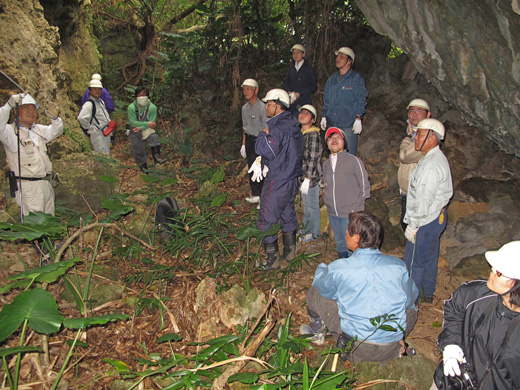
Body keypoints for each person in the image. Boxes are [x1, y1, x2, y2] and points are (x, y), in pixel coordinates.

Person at [301, 211, 419, 365]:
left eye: (348, 231)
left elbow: (322, 286)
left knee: (316, 293)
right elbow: (411, 300)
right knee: (412, 307)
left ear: (356, 238)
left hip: (355, 348)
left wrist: (322, 268)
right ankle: (399, 340)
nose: (346, 233)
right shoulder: (398, 266)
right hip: (390, 349)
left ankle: (317, 335)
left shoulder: (340, 268)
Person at [432, 241, 520, 390]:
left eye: (499, 272)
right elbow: (454, 309)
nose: (492, 270)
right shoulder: (477, 294)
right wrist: (452, 345)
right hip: (453, 383)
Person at [252, 89, 303, 270]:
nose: (266, 106)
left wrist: (264, 134)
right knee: (287, 213)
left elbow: (268, 149)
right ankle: (290, 254)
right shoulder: (292, 124)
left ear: (278, 105)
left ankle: (271, 261)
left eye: (269, 103)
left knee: (267, 218)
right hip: (291, 178)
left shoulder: (277, 127)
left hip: (278, 179)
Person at [403, 118, 453, 304]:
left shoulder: (431, 165)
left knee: (413, 261)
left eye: (420, 134)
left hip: (426, 219)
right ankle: (427, 293)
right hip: (436, 217)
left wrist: (414, 225)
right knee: (429, 256)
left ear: (432, 137)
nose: (415, 138)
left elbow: (424, 199)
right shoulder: (434, 158)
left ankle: (410, 304)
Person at [0, 93, 63, 217]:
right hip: (28, 188)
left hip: (46, 185)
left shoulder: (39, 130)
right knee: (35, 228)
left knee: (49, 225)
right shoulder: (10, 132)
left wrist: (55, 118)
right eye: (26, 108)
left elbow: (57, 130)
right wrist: (8, 106)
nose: (31, 111)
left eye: (33, 108)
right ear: (16, 111)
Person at [323, 127, 370, 258]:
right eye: (331, 138)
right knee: (340, 242)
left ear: (344, 141)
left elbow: (364, 182)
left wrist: (359, 206)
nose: (334, 140)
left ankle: (354, 271)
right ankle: (343, 266)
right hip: (333, 211)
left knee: (353, 244)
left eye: (338, 137)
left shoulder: (353, 161)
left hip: (350, 212)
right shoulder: (326, 164)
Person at [321, 47, 367, 156]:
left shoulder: (356, 78)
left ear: (349, 60)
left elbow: (361, 98)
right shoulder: (332, 79)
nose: (338, 58)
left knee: (349, 154)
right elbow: (326, 98)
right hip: (333, 122)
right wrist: (324, 116)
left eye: (342, 56)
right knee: (333, 153)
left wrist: (358, 117)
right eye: (338, 56)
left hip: (348, 123)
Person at [398, 99, 431, 231]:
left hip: (419, 193)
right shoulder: (415, 134)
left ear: (428, 115)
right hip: (408, 191)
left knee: (415, 229)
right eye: (412, 111)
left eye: (419, 111)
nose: (415, 114)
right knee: (407, 226)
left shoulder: (428, 135)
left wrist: (407, 138)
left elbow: (404, 156)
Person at [240, 79, 268, 206]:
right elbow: (244, 128)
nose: (246, 92)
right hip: (250, 140)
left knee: (261, 168)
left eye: (249, 89)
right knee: (252, 167)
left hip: (260, 140)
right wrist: (244, 145)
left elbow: (267, 128)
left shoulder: (263, 107)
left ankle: (264, 196)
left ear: (256, 90)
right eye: (244, 89)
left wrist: (264, 146)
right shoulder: (244, 108)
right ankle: (256, 193)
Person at [298, 104, 323, 242]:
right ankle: (306, 229)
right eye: (302, 112)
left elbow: (313, 158)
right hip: (303, 178)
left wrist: (307, 179)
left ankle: (314, 234)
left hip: (311, 178)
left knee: (312, 207)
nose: (303, 114)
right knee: (307, 206)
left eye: (307, 113)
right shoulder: (301, 134)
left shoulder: (312, 135)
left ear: (312, 120)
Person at [127, 87, 166, 172]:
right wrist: (146, 124)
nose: (142, 97)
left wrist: (142, 127)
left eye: (144, 95)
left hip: (146, 128)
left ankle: (157, 158)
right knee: (137, 145)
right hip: (135, 129)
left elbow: (152, 123)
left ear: (148, 96)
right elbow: (133, 122)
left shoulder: (152, 108)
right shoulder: (131, 107)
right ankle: (143, 165)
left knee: (154, 137)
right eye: (139, 95)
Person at [77, 78, 112, 155]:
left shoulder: (101, 102)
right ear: (89, 91)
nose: (97, 91)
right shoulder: (89, 104)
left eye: (99, 89)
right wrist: (90, 128)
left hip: (106, 132)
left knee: (107, 154)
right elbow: (81, 118)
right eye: (94, 89)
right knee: (102, 156)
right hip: (98, 135)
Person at [284, 44, 317, 117]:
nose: (295, 55)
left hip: (304, 103)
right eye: (294, 53)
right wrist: (289, 91)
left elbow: (313, 87)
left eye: (298, 53)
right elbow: (287, 81)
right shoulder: (291, 68)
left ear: (303, 54)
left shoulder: (308, 68)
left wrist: (300, 93)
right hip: (291, 103)